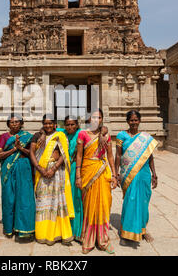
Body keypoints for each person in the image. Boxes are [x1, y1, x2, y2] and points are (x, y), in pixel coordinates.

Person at [75, 109, 118, 254]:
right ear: (89, 119)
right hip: (87, 171)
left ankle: (103, 240)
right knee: (89, 206)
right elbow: (79, 156)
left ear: (102, 119)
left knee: (104, 205)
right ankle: (88, 239)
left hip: (103, 171)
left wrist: (114, 175)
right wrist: (78, 176)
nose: (96, 120)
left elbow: (110, 156)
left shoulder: (105, 135)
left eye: (98, 117)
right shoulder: (83, 134)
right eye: (93, 117)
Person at [29, 114, 74, 246]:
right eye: (45, 123)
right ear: (43, 124)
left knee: (57, 202)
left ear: (55, 124)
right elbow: (32, 152)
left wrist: (53, 169)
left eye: (50, 123)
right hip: (41, 171)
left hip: (56, 172)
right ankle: (42, 233)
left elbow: (64, 154)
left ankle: (58, 233)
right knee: (43, 201)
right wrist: (39, 168)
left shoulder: (60, 135)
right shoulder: (37, 136)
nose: (48, 125)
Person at [115, 110, 158, 244]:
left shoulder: (145, 137)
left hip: (144, 174)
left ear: (139, 121)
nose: (134, 123)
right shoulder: (121, 135)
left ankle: (142, 230)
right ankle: (126, 232)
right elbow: (118, 155)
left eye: (136, 120)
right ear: (127, 121)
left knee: (144, 202)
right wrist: (116, 174)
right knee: (130, 201)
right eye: (131, 120)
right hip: (128, 174)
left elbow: (150, 157)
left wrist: (154, 174)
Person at [0, 114, 35, 240]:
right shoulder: (4, 137)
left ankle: (24, 229)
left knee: (24, 198)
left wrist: (21, 148)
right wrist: (14, 149)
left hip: (24, 168)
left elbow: (32, 154)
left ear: (21, 123)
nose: (14, 124)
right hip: (8, 169)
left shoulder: (28, 137)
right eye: (11, 122)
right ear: (8, 124)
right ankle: (9, 228)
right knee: (9, 198)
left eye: (17, 122)